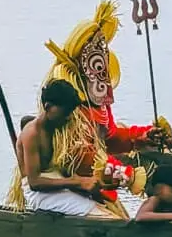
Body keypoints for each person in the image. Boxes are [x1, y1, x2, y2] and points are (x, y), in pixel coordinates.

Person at [7, 0, 170, 215]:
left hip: (85, 183)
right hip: (72, 181)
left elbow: (109, 137)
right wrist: (125, 175)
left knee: (121, 218)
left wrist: (142, 137)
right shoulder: (69, 108)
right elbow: (77, 157)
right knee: (109, 219)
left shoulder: (97, 103)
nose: (102, 79)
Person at [17, 79, 122, 218]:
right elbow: (34, 183)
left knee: (102, 206)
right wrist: (76, 182)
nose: (68, 117)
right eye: (65, 112)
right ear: (48, 107)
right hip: (38, 194)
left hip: (56, 183)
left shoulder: (57, 128)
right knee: (105, 217)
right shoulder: (32, 134)